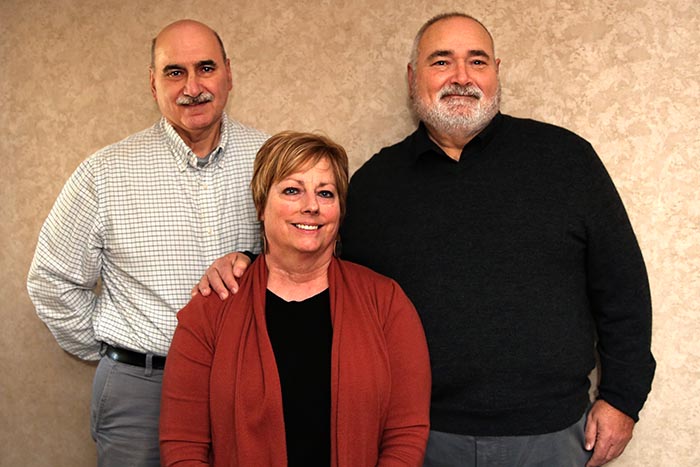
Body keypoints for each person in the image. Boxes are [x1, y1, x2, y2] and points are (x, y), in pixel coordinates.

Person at [197, 13, 655, 467]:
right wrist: (247, 261)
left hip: (551, 435)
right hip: (423, 438)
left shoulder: (565, 160)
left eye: (477, 61)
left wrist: (622, 399)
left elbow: (623, 287)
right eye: (442, 61)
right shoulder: (377, 184)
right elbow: (320, 266)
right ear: (413, 77)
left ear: (497, 71)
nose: (461, 77)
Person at [26, 20, 267, 466]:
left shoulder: (272, 159)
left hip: (248, 385)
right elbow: (51, 280)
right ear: (152, 84)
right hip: (143, 391)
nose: (192, 87)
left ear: (229, 74)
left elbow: (307, 258)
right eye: (175, 72)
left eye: (206, 68)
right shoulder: (105, 172)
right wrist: (117, 350)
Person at [159, 131, 431, 466]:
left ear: (340, 210)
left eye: (325, 193)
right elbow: (183, 445)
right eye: (292, 190)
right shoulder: (212, 306)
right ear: (261, 205)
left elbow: (405, 433)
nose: (311, 206)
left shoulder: (385, 302)